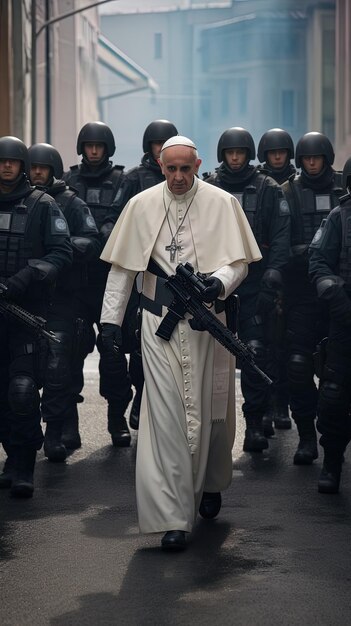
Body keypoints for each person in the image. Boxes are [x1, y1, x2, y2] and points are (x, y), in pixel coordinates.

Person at [100, 136, 261, 550]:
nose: (176, 177)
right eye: (169, 169)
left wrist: (218, 282)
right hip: (158, 326)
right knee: (166, 421)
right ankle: (173, 517)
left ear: (197, 164)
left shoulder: (222, 203)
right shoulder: (141, 205)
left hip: (209, 325)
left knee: (211, 416)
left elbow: (238, 261)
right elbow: (122, 271)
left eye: (184, 169)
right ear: (159, 165)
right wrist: (109, 324)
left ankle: (209, 483)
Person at [204, 127, 290, 453]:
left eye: (240, 152)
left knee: (254, 353)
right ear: (222, 155)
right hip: (215, 284)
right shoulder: (209, 187)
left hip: (254, 284)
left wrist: (272, 276)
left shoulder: (267, 189)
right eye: (230, 152)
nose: (236, 158)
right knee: (211, 358)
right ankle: (210, 430)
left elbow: (281, 236)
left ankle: (254, 423)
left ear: (249, 153)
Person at [0, 136, 72, 497]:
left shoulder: (42, 205)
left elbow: (63, 251)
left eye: (12, 161)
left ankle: (25, 463)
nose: (6, 166)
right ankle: (11, 457)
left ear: (24, 166)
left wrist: (26, 277)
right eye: (1, 161)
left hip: (26, 311)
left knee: (23, 391)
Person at [28, 142, 101, 461]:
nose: (37, 173)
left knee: (60, 366)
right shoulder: (19, 202)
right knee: (25, 373)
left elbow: (91, 241)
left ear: (54, 170)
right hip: (25, 296)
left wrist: (59, 248)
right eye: (32, 167)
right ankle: (24, 435)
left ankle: (56, 429)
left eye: (42, 168)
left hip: (64, 297)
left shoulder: (71, 202)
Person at [64, 121, 133, 448]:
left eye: (99, 146)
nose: (93, 151)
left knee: (113, 353)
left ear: (108, 149)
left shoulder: (123, 181)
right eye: (89, 146)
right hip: (77, 281)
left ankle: (116, 418)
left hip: (110, 279)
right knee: (70, 351)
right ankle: (68, 424)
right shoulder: (68, 180)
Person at [281, 131, 344, 465]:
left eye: (316, 158)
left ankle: (333, 434)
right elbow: (278, 238)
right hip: (301, 291)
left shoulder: (341, 192)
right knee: (297, 365)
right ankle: (306, 436)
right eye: (306, 159)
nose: (312, 163)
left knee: (338, 373)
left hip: (339, 295)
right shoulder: (288, 192)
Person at [113, 119, 179, 429]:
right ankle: (135, 398)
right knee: (136, 341)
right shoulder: (134, 179)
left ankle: (149, 402)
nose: (161, 150)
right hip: (141, 270)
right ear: (149, 147)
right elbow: (115, 223)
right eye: (156, 145)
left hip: (174, 273)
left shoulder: (183, 180)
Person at [308, 156, 351, 493]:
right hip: (345, 320)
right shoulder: (340, 217)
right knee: (334, 394)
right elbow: (319, 262)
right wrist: (336, 297)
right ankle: (332, 462)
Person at [257, 128, 296, 434]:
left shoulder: (289, 187)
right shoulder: (261, 186)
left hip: (287, 276)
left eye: (281, 152)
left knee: (282, 345)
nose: (278, 157)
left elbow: (283, 236)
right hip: (257, 274)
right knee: (263, 346)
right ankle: (265, 407)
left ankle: (280, 402)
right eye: (273, 153)